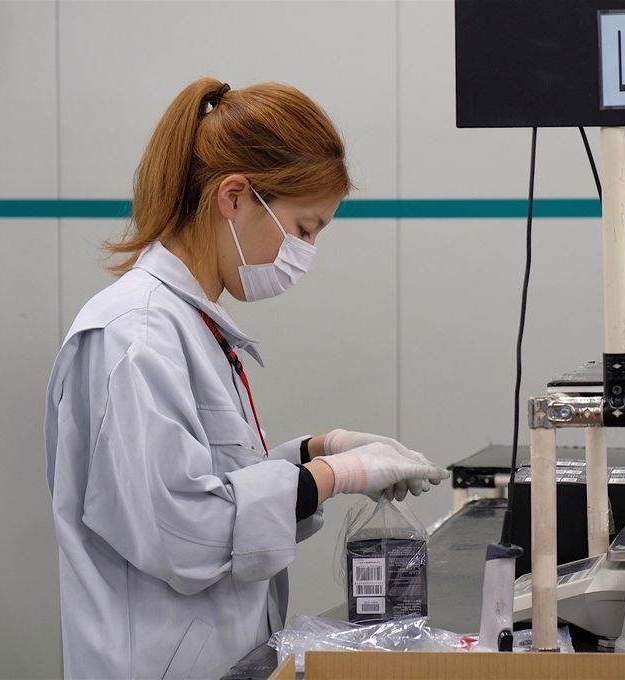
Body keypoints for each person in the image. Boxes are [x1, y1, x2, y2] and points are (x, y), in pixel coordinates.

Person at [44, 77, 448, 680]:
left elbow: (212, 485)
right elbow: (184, 532)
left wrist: (318, 451)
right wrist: (331, 477)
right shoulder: (134, 336)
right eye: (304, 229)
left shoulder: (190, 323)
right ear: (233, 196)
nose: (305, 253)